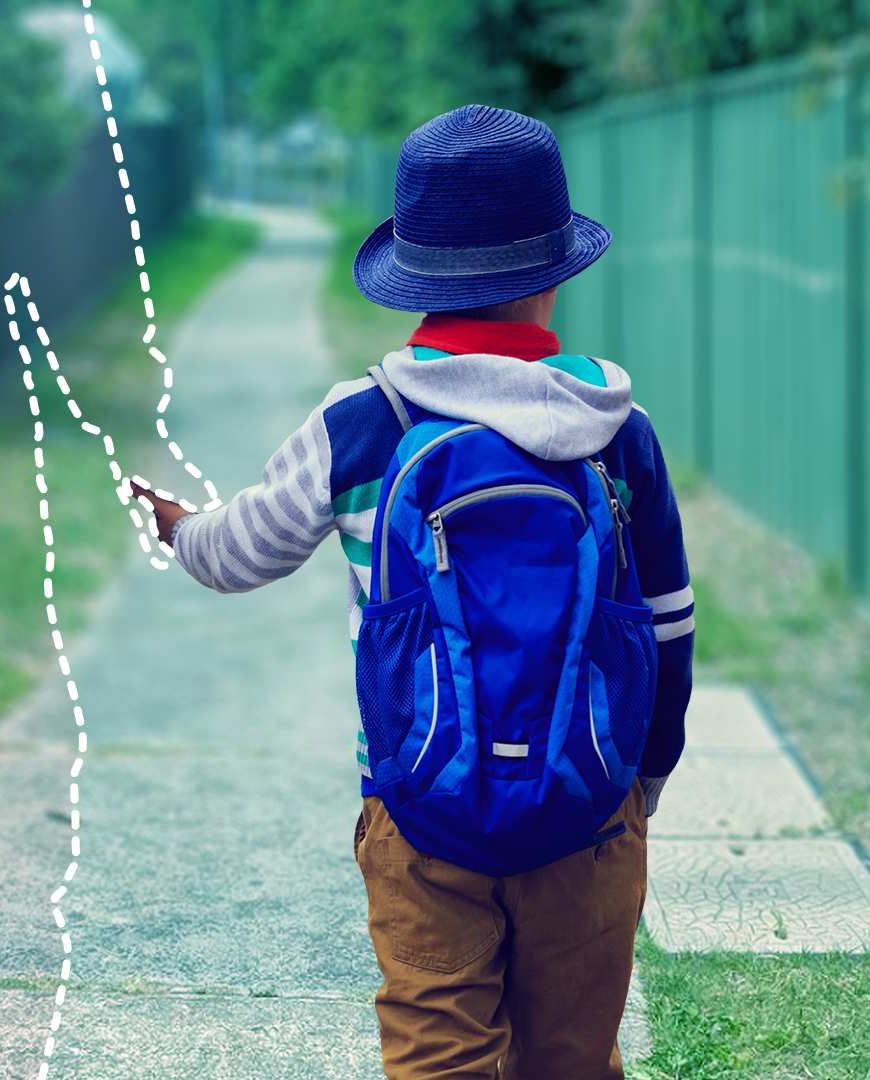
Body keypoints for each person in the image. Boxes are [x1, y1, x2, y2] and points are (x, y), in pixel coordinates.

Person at [130, 104, 694, 1079]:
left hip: (417, 807)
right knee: (570, 1057)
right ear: (555, 276)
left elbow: (244, 553)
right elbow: (668, 627)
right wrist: (636, 785)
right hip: (588, 812)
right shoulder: (616, 426)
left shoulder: (366, 421)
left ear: (412, 281)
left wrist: (182, 530)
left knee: (440, 1053)